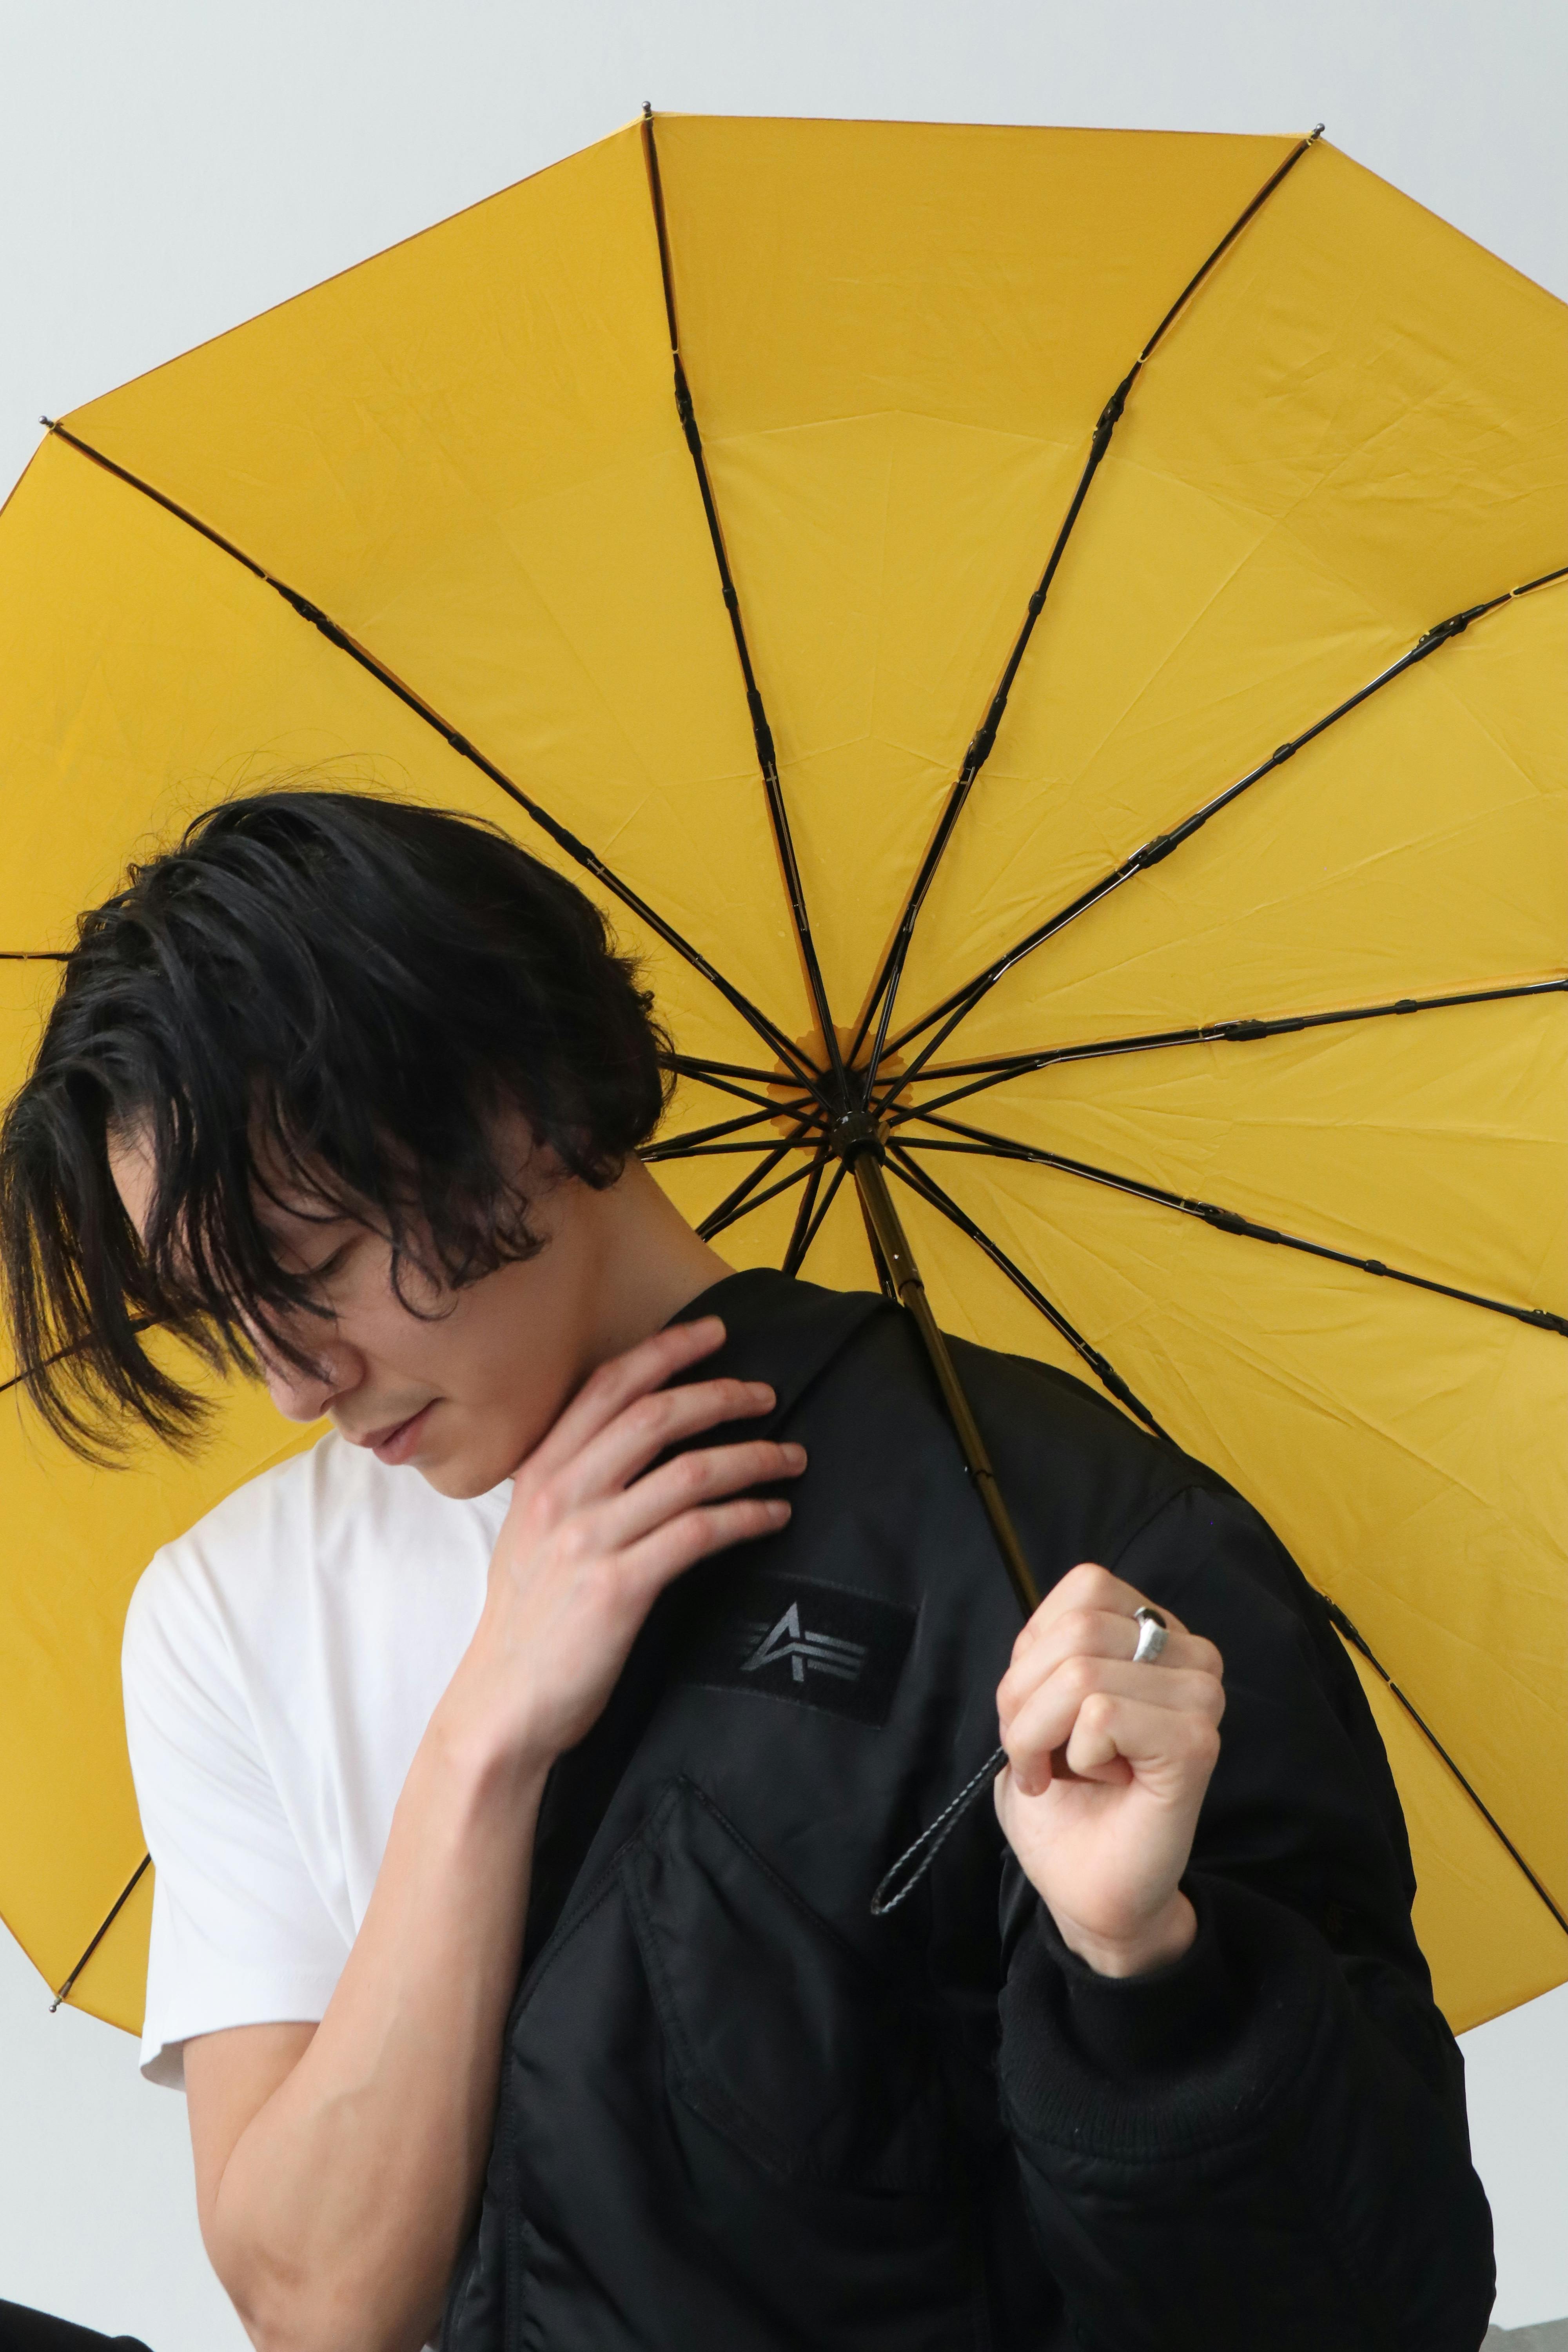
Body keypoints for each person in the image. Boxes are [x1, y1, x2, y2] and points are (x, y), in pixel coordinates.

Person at [1, 790, 1496, 2352]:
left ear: (518, 1107)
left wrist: (1143, 1971)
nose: (292, 1385)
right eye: (216, 1314)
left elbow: (1368, 2310)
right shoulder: (230, 1606)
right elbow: (318, 2313)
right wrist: (481, 1744)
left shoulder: (1064, 1546)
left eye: (305, 1272)